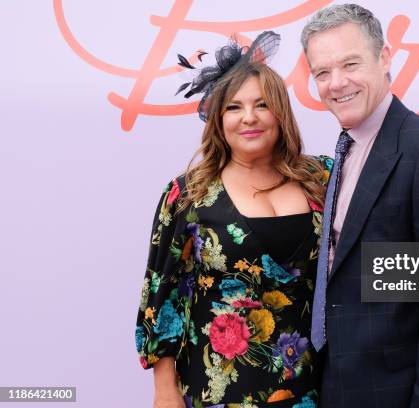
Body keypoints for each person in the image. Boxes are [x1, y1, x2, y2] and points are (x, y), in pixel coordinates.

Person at [135, 32, 331, 408]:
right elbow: (161, 296)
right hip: (218, 391)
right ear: (217, 118)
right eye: (234, 107)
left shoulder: (321, 179)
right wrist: (164, 391)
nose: (249, 118)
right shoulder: (189, 194)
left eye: (262, 104)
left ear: (281, 112)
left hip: (311, 387)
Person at [301, 4, 419, 408]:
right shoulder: (343, 155)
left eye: (351, 63)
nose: (336, 83)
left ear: (384, 58)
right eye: (322, 73)